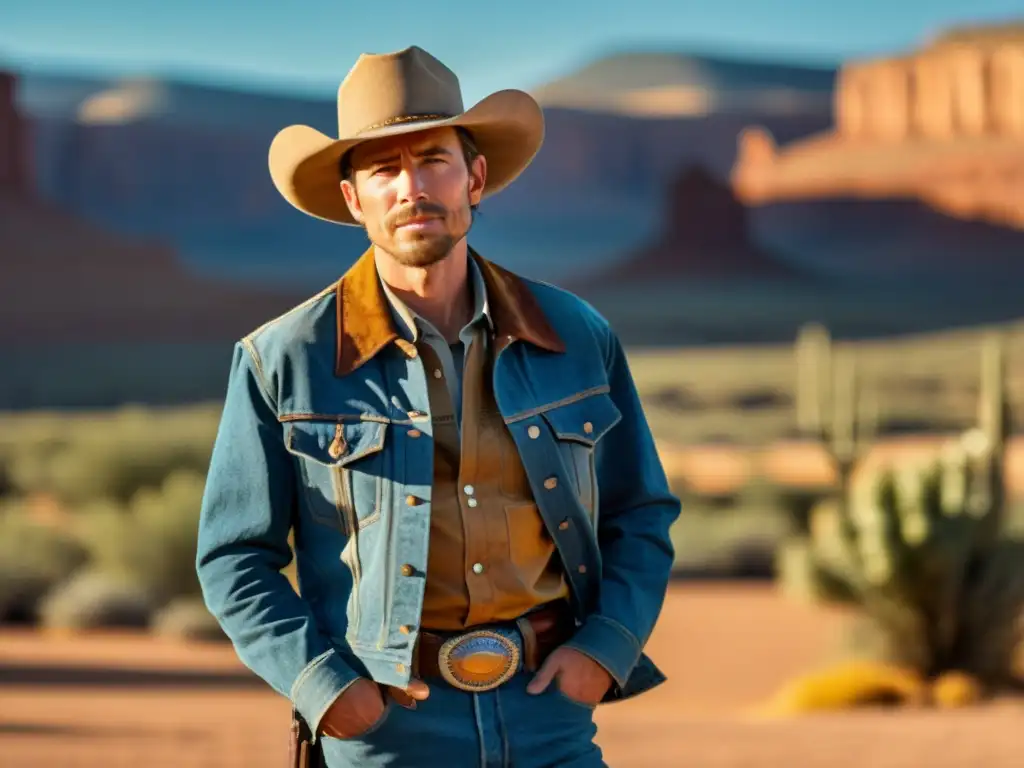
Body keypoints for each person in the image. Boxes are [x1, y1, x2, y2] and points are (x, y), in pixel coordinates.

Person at [196, 45, 681, 768]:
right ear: (354, 198)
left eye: (433, 161)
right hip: (385, 727)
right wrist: (326, 689)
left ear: (475, 178)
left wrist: (603, 651)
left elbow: (639, 513)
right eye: (383, 170)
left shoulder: (575, 334)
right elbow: (235, 558)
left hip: (549, 715)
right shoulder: (283, 358)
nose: (410, 188)